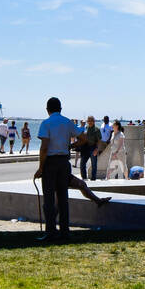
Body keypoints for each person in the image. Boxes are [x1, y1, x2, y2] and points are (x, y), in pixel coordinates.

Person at [35, 97, 76, 242]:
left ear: (47, 109)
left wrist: (40, 167)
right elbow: (82, 138)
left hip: (50, 163)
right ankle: (65, 231)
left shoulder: (46, 123)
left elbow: (44, 146)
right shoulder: (67, 122)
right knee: (63, 198)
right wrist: (70, 147)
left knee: (49, 199)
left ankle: (51, 231)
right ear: (61, 109)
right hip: (64, 162)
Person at [76, 115, 102, 181]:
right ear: (87, 121)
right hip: (85, 148)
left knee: (94, 165)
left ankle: (93, 179)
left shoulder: (97, 129)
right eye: (89, 121)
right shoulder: (86, 128)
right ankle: (84, 178)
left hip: (93, 148)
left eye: (91, 121)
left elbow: (99, 141)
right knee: (82, 164)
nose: (90, 122)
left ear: (94, 121)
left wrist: (97, 149)